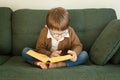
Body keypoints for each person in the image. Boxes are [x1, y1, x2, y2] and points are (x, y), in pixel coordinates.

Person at [22, 7, 88, 69]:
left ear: (68, 27)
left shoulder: (70, 31)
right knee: (25, 51)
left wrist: (74, 53)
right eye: (55, 34)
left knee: (84, 55)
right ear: (47, 27)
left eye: (63, 33)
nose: (60, 36)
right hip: (46, 57)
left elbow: (78, 45)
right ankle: (39, 63)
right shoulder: (44, 32)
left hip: (63, 57)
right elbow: (39, 48)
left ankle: (60, 64)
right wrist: (50, 54)